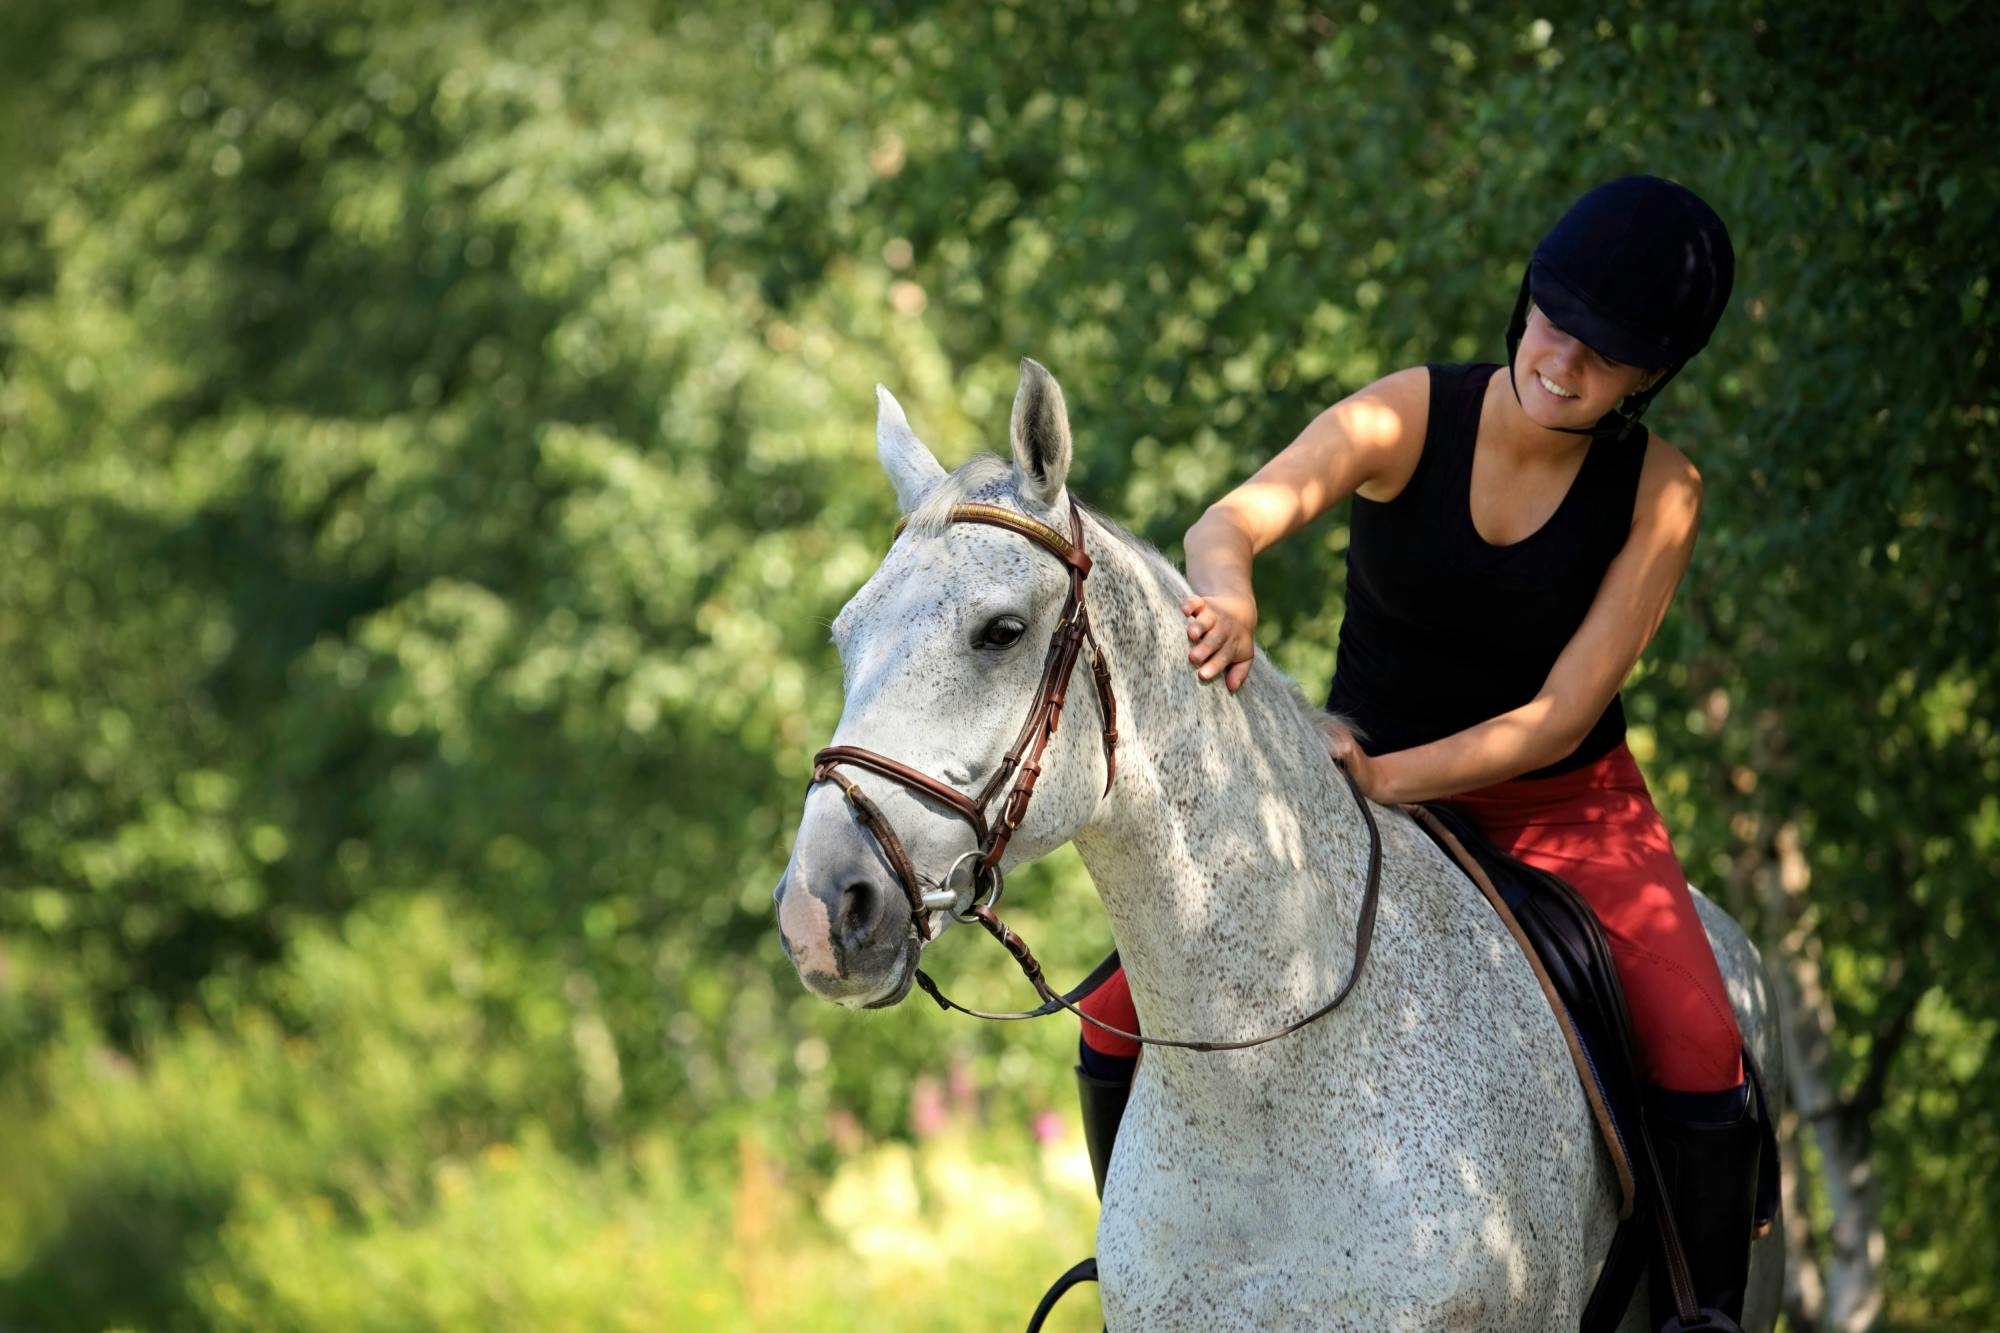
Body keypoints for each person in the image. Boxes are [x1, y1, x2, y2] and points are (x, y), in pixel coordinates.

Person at [1072, 175, 1758, 1328]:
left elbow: (1556, 711)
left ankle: (1705, 1316)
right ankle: (1144, 1271)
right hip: (1350, 787)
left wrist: (1389, 778)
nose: (1563, 361)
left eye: (1605, 353)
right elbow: (1225, 522)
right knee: (1107, 1008)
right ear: (1524, 302)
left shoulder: (1660, 492)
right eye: (1554, 320)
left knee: (1697, 1039)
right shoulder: (1406, 414)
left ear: (1650, 376)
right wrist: (1228, 595)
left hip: (1560, 803)